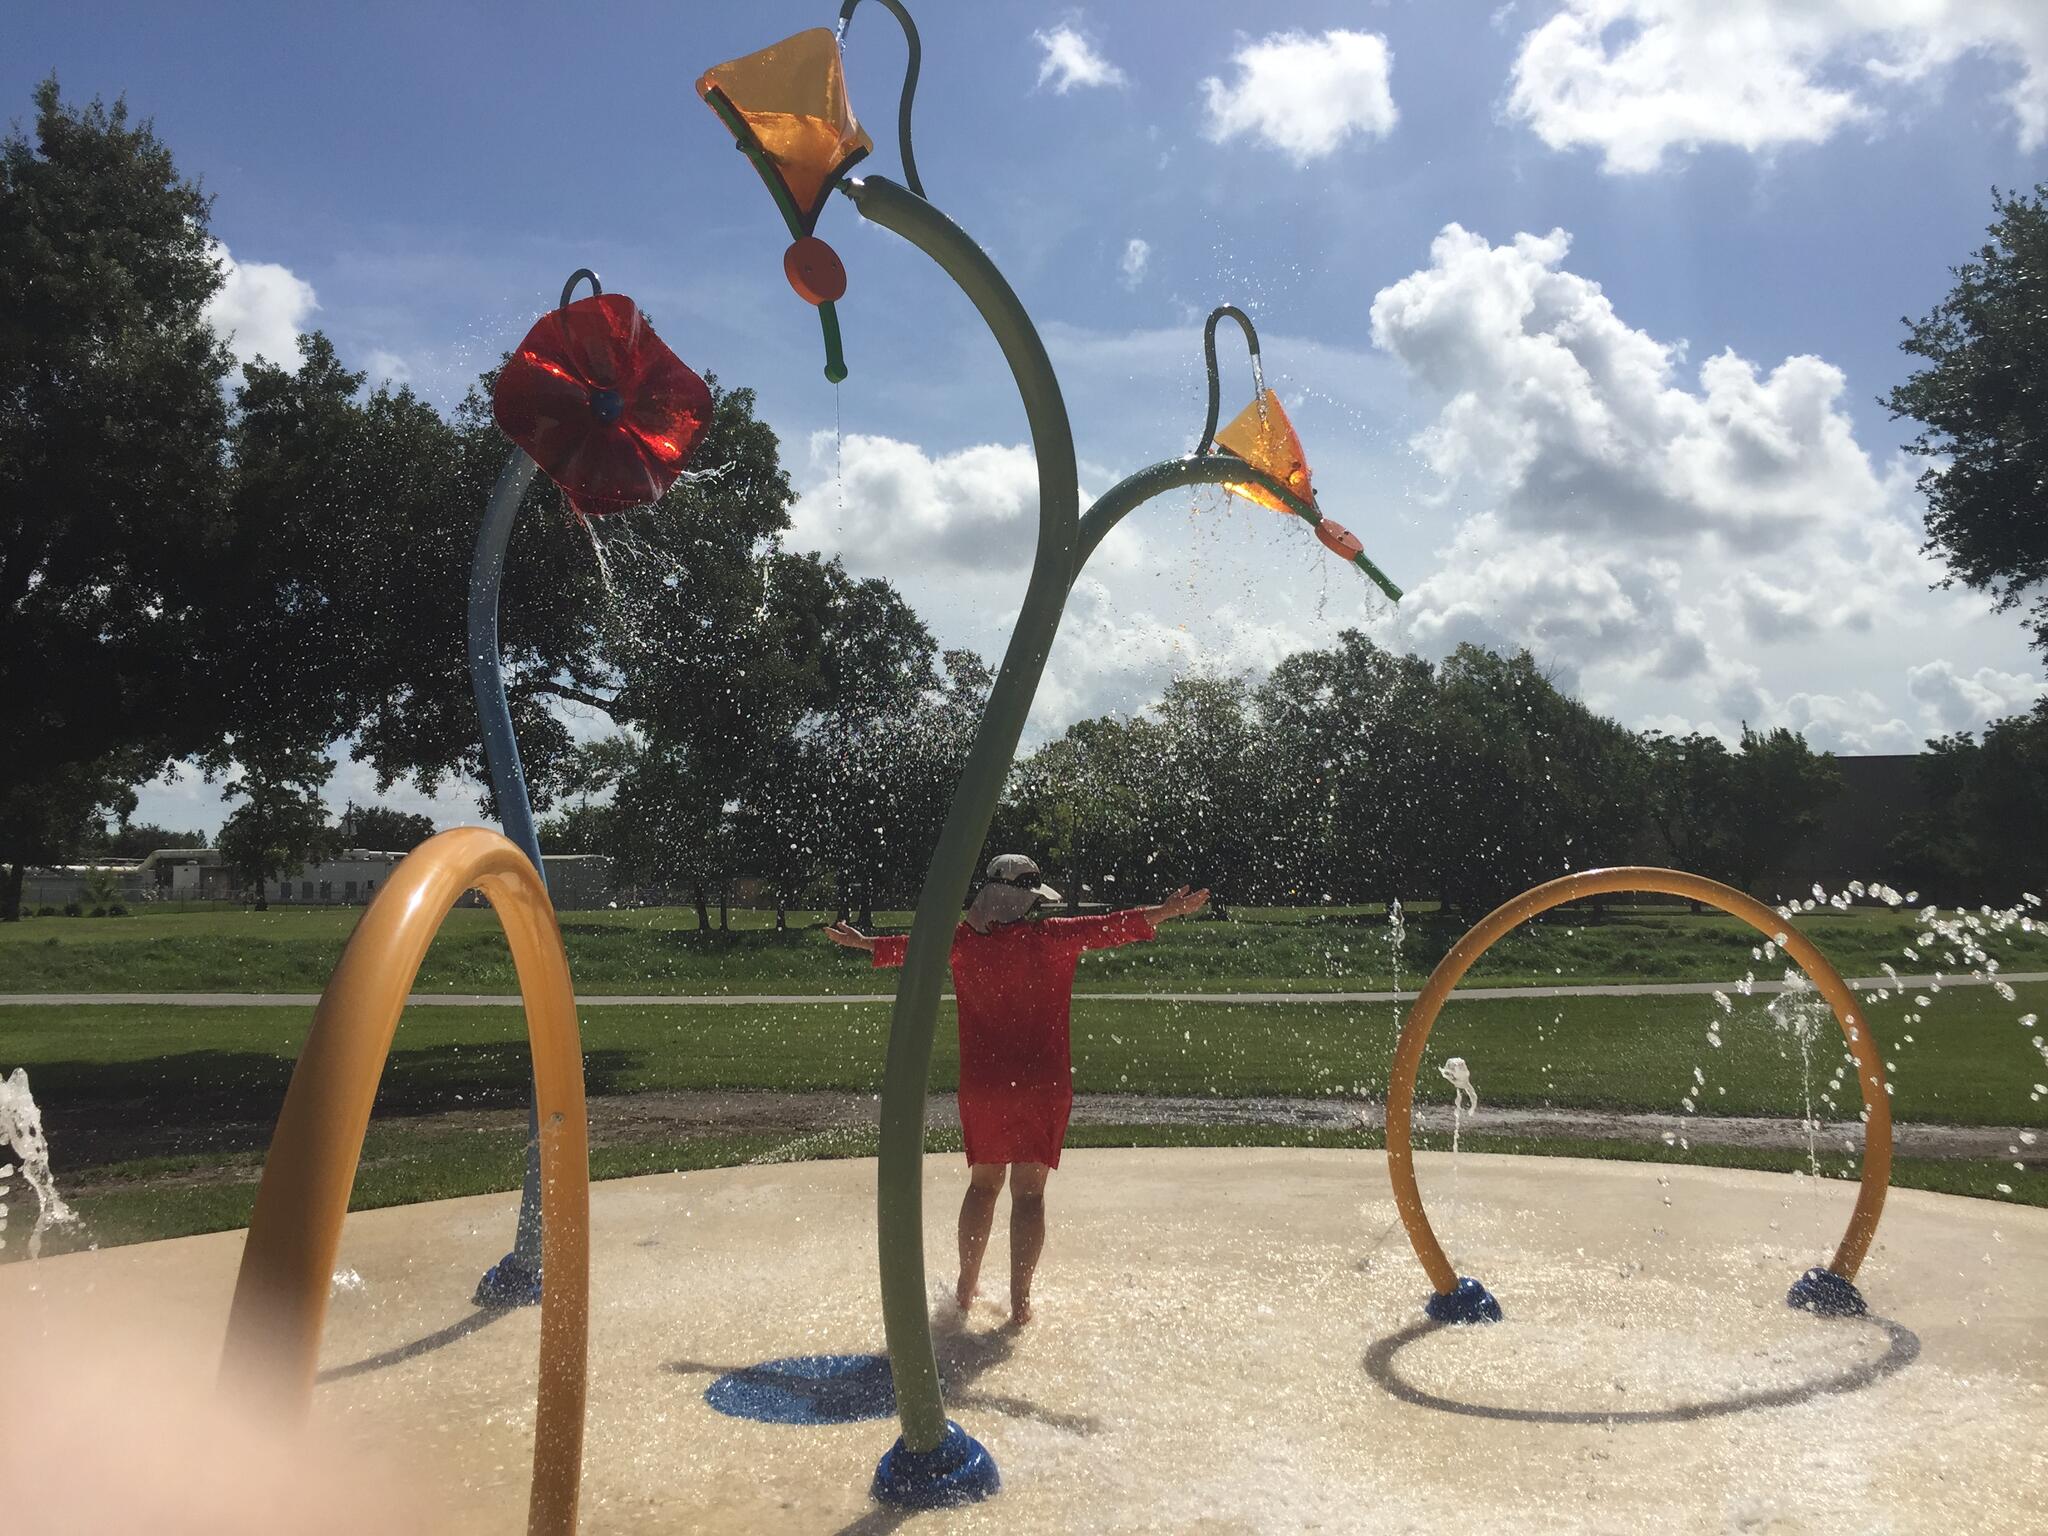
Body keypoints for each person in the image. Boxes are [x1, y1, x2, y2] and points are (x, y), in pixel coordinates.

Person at [827, 854, 1209, 1325]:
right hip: (1043, 1086)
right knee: (1030, 1196)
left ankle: (966, 1288)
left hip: (985, 1087)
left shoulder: (961, 943)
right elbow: (1116, 925)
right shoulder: (1053, 939)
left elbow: (915, 947)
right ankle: (1021, 1302)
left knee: (983, 1187)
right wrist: (1167, 912)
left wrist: (868, 944)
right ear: (1029, 899)